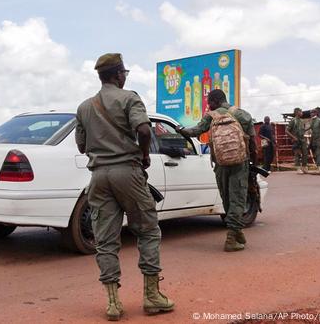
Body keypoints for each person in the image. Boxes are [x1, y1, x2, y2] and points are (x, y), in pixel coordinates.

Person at [76, 53, 174, 321]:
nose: (125, 77)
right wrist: (143, 156)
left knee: (105, 239)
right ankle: (152, 296)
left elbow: (81, 145)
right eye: (124, 73)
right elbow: (144, 130)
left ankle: (113, 303)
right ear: (118, 75)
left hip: (98, 177)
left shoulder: (84, 107)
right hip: (127, 173)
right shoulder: (129, 97)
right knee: (148, 230)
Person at [177, 89, 257, 252]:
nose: (208, 105)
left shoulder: (211, 116)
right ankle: (232, 237)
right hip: (240, 163)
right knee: (238, 199)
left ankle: (235, 233)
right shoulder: (242, 115)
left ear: (214, 101)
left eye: (209, 102)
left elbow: (194, 132)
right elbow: (253, 143)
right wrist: (253, 165)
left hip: (220, 163)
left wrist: (180, 130)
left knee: (226, 198)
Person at [286, 107, 308, 174]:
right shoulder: (293, 120)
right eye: (300, 111)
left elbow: (303, 130)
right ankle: (298, 168)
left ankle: (304, 167)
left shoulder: (302, 121)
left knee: (305, 153)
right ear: (297, 112)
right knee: (297, 154)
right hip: (296, 140)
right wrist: (293, 137)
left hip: (302, 139)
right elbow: (286, 131)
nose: (302, 113)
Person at [308, 109, 320, 175]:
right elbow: (311, 130)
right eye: (310, 113)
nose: (311, 114)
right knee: (315, 154)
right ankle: (318, 168)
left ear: (316, 113)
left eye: (312, 112)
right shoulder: (312, 121)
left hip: (319, 140)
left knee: (319, 154)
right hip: (313, 140)